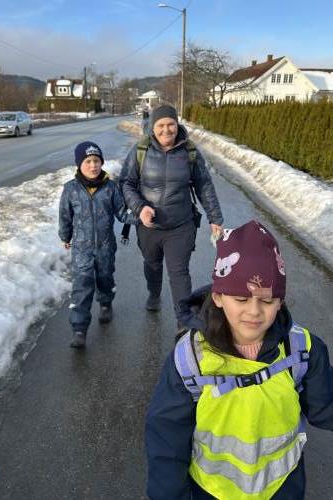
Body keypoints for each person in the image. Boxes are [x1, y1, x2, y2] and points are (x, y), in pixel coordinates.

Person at [145, 220, 333, 499]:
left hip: (281, 488)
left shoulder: (302, 350)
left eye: (267, 300)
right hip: (211, 490)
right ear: (218, 297)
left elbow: (325, 408)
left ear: (280, 301)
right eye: (241, 299)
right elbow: (167, 439)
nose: (254, 312)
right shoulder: (190, 360)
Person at [122, 103, 223, 322]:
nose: (166, 130)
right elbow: (126, 183)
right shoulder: (140, 150)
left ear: (177, 125)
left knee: (179, 273)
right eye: (161, 125)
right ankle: (154, 294)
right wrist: (140, 208)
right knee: (152, 265)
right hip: (149, 227)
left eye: (171, 124)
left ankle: (184, 321)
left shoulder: (190, 151)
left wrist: (215, 217)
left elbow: (203, 184)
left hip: (180, 225)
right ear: (152, 127)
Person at [59, 141, 136, 348]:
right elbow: (65, 216)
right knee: (82, 285)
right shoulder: (71, 189)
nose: (93, 166)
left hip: (105, 245)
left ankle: (105, 302)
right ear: (79, 164)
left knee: (104, 277)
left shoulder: (110, 188)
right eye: (88, 161)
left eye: (96, 161)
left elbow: (121, 213)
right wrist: (65, 236)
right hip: (81, 248)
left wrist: (140, 217)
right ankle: (79, 328)